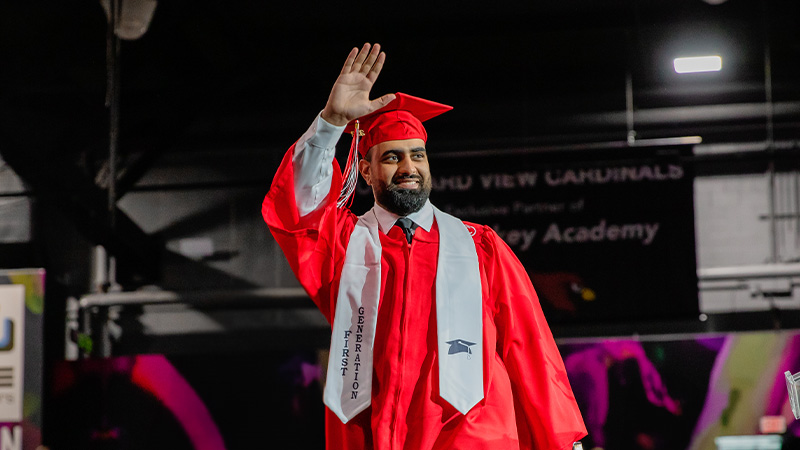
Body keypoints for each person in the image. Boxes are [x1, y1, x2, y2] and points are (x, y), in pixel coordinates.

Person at [262, 43, 586, 450]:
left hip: (472, 434)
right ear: (365, 171)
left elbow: (529, 345)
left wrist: (563, 440)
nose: (409, 168)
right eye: (392, 157)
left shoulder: (480, 247)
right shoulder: (345, 244)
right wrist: (331, 122)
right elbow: (298, 209)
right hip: (372, 428)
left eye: (418, 156)